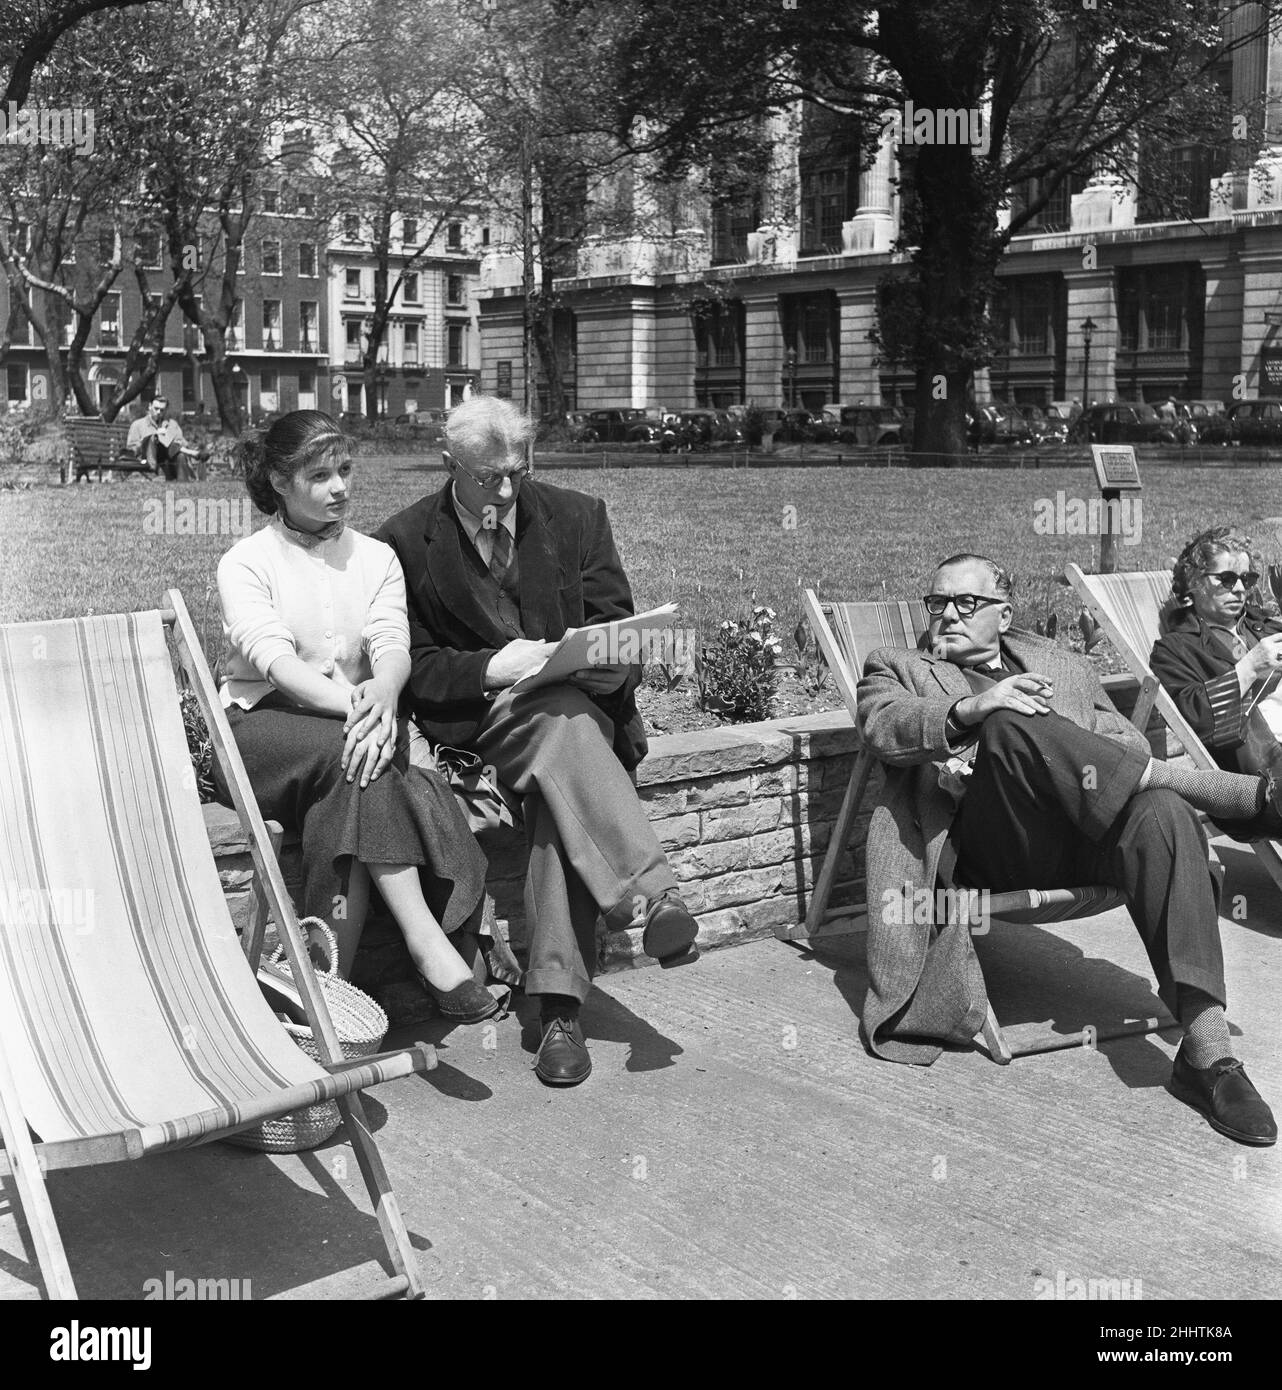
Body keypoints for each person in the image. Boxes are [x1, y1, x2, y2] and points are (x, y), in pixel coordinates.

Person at [857, 552, 1276, 1145]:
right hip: (985, 849)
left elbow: (1123, 741)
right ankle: (1249, 799)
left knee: (1163, 815)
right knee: (1006, 723)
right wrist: (975, 708)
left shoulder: (1063, 665)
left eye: (967, 603)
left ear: (1003, 615)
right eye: (937, 603)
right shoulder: (897, 664)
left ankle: (1208, 1059)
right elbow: (883, 723)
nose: (947, 614)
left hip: (1078, 834)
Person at [375, 395, 700, 1088]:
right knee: (562, 733)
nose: (505, 489)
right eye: (488, 476)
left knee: (561, 751)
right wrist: (497, 667)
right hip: (482, 728)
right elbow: (413, 667)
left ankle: (558, 1015)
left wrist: (589, 656)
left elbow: (620, 632)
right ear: (449, 466)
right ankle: (654, 892)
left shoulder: (578, 516)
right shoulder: (402, 541)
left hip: (574, 719)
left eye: (516, 473)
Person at [212, 410, 498, 1024]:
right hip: (261, 728)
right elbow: (275, 664)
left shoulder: (375, 557)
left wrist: (387, 693)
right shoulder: (246, 562)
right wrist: (363, 707)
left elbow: (392, 642)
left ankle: (325, 983)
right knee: (362, 756)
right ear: (280, 482)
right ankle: (429, 945)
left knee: (351, 786)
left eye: (345, 470)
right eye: (320, 475)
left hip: (350, 736)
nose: (340, 486)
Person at [1150, 527, 1282, 826]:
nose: (1239, 589)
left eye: (1246, 579)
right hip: (1259, 786)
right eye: (1226, 579)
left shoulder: (1266, 628)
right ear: (1195, 581)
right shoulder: (1177, 649)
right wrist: (1249, 667)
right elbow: (1196, 717)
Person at [127, 396, 201, 479]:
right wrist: (153, 436)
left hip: (168, 458)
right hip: (147, 458)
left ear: (166, 410)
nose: (159, 412)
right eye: (156, 408)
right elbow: (131, 449)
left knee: (180, 456)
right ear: (149, 406)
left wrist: (169, 439)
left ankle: (182, 486)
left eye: (162, 410)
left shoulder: (172, 424)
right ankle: (191, 453)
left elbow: (182, 442)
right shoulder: (138, 425)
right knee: (155, 437)